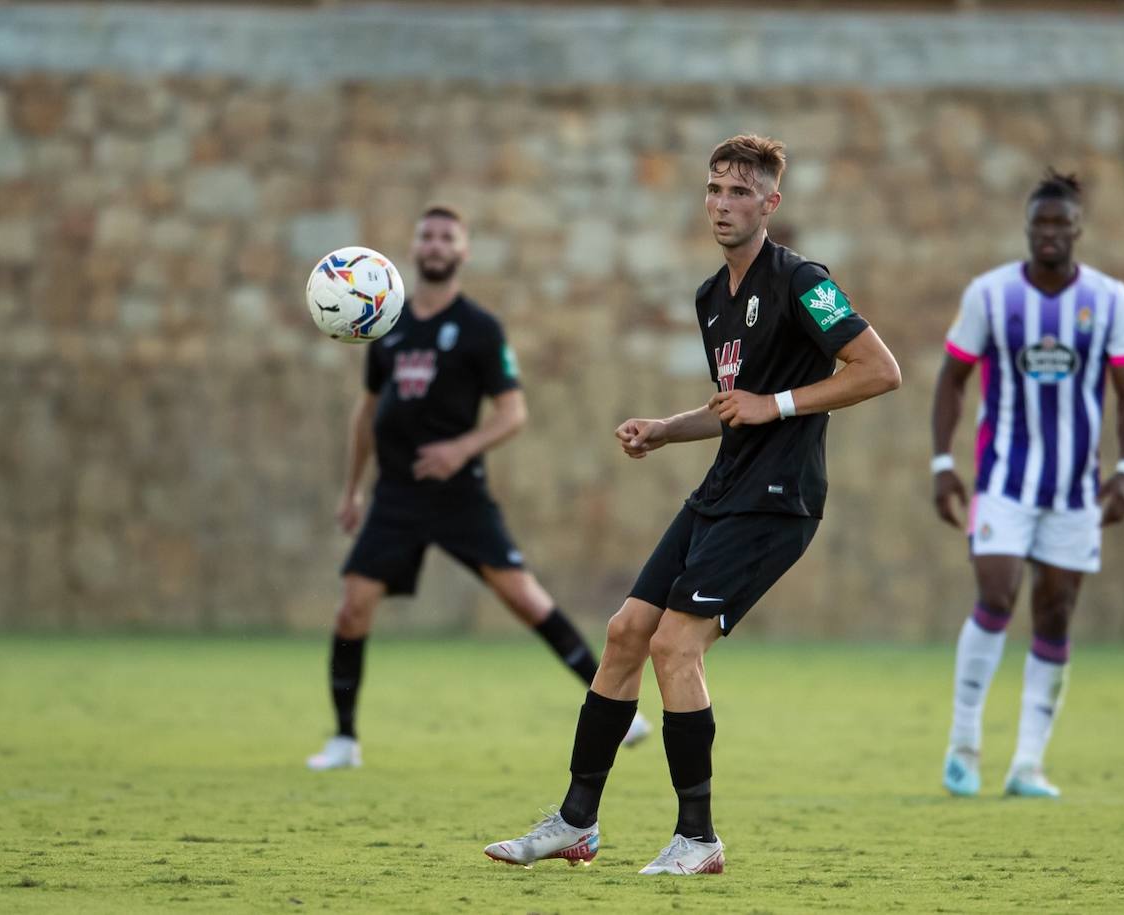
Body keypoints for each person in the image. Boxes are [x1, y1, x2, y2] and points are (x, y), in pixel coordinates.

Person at [483, 135, 901, 874]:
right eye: (713, 189)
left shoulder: (803, 281)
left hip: (778, 500)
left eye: (740, 192)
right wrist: (667, 429)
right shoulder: (712, 299)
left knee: (675, 645)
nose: (722, 204)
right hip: (722, 489)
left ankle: (698, 838)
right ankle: (575, 822)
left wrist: (775, 403)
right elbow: (732, 408)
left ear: (770, 204)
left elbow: (879, 370)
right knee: (625, 633)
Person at [306, 206, 650, 771]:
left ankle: (618, 710)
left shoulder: (479, 329)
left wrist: (459, 449)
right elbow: (366, 413)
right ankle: (344, 740)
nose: (436, 245)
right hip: (396, 495)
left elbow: (513, 414)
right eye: (427, 236)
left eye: (447, 237)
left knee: (524, 597)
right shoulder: (383, 325)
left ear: (462, 252)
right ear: (414, 250)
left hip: (459, 494)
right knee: (352, 609)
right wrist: (352, 490)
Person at [931, 170, 1124, 798]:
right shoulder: (990, 295)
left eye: (1061, 223)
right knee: (997, 595)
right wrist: (942, 464)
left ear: (1079, 229)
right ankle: (963, 747)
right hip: (1003, 482)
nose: (1050, 233)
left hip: (1076, 492)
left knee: (1054, 614)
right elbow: (951, 379)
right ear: (1027, 228)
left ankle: (1027, 764)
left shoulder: (1110, 300)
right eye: (1040, 223)